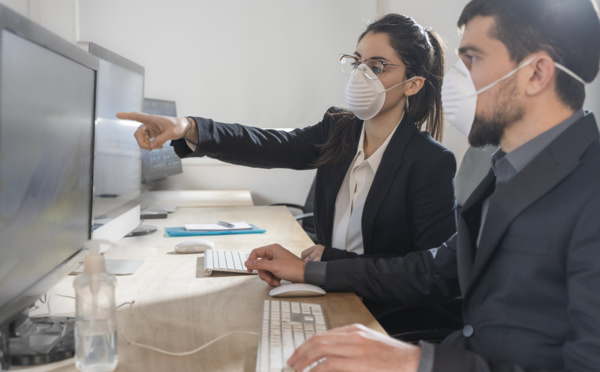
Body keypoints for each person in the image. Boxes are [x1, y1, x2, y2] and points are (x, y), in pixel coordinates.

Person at [244, 0, 600, 371]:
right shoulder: (510, 169)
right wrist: (311, 272)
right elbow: (433, 269)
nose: (458, 79)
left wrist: (420, 361)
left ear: (537, 73)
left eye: (473, 59)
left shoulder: (590, 191)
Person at [119, 17, 456, 275]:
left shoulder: (429, 162)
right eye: (357, 63)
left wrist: (326, 267)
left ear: (412, 85)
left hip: (386, 318)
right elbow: (267, 144)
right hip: (331, 289)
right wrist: (187, 128)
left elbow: (429, 273)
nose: (360, 75)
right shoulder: (340, 131)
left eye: (377, 67)